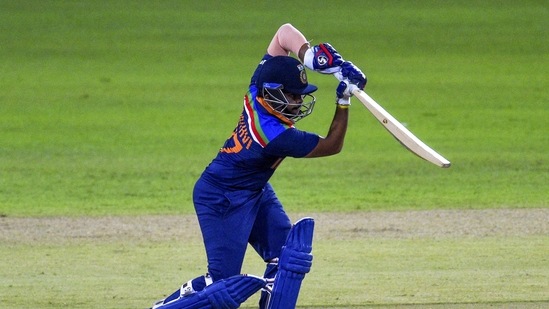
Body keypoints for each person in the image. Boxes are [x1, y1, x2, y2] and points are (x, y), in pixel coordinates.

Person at [151, 23, 366, 309]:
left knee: (288, 258)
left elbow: (283, 32)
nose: (300, 100)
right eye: (293, 95)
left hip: (253, 189)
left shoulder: (257, 89)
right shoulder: (273, 135)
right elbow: (332, 145)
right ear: (275, 93)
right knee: (222, 287)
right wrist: (343, 99)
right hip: (222, 198)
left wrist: (310, 56)